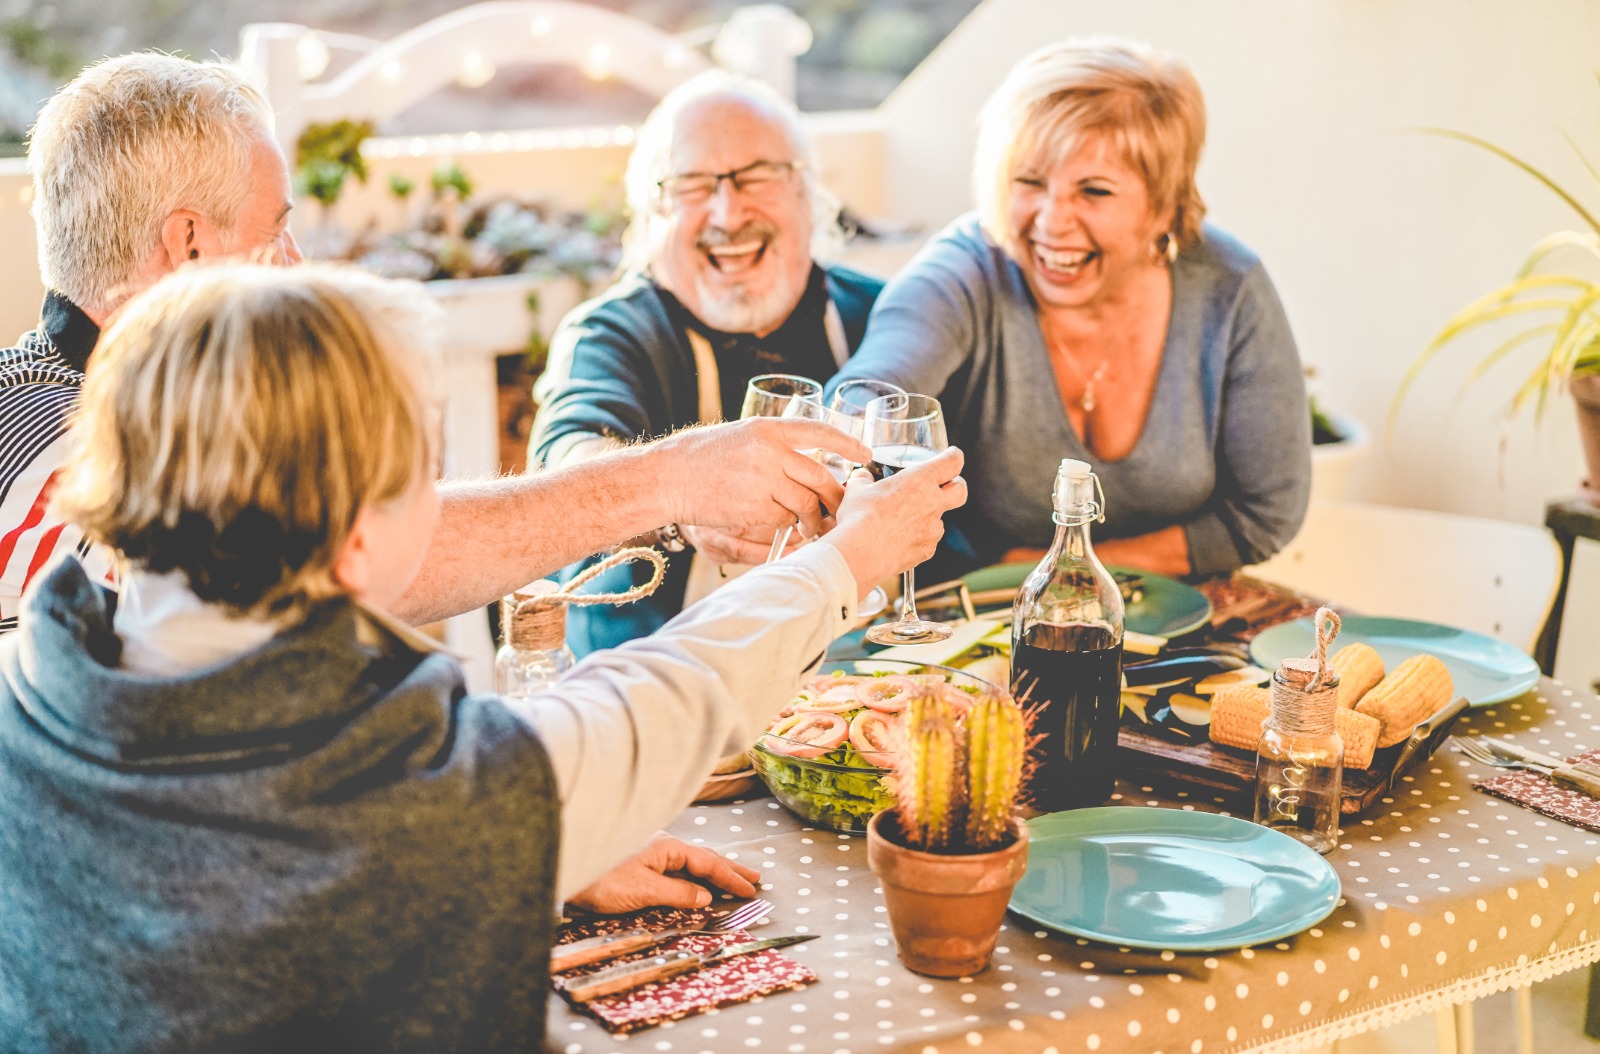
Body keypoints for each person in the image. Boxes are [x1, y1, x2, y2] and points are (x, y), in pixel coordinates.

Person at [0, 263, 965, 1051]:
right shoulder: (433, 798)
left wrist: (531, 857)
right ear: (359, 541)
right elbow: (667, 697)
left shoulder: (25, 694)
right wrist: (852, 559)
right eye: (421, 473)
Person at [3, 52, 863, 640]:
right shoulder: (73, 477)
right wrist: (683, 476)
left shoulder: (105, 415)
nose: (298, 264)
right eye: (277, 231)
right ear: (188, 245)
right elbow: (365, 562)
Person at [826, 37, 1311, 577]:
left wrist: (1050, 568)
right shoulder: (961, 271)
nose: (1052, 222)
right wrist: (842, 440)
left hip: (1187, 614)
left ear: (1165, 205)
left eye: (1094, 191)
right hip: (978, 614)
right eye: (1029, 181)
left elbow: (1262, 516)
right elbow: (872, 392)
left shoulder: (1229, 286)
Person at [530, 69, 885, 655]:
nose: (727, 213)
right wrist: (681, 498)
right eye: (692, 185)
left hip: (861, 683)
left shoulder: (876, 312)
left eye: (757, 177)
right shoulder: (609, 333)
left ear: (808, 193)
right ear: (651, 214)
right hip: (660, 688)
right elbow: (567, 459)